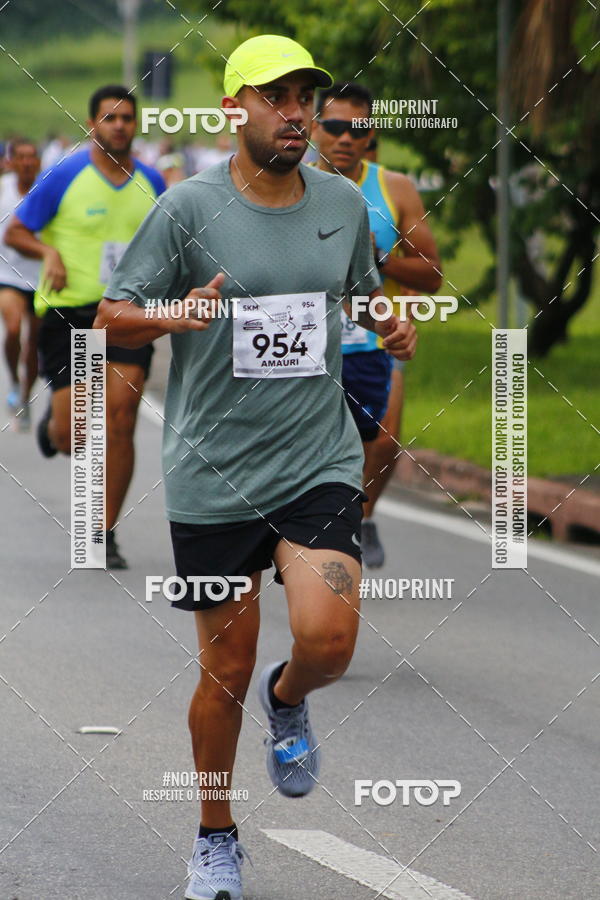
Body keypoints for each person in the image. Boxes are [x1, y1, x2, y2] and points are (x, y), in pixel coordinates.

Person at [94, 35, 417, 900]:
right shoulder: (186, 209)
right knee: (222, 669)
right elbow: (110, 316)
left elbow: (360, 288)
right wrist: (171, 314)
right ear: (236, 106)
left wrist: (387, 321)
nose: (296, 114)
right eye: (276, 97)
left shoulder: (343, 203)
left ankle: (291, 695)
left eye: (304, 98)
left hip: (315, 460)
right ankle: (215, 838)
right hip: (214, 473)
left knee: (328, 637)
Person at [5, 85, 166, 569]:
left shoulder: (154, 181)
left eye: (127, 119)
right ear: (92, 125)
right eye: (109, 118)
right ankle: (53, 433)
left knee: (120, 417)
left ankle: (104, 530)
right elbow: (15, 230)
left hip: (126, 313)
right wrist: (49, 252)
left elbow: (174, 241)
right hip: (71, 313)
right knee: (74, 432)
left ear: (136, 126)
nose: (119, 126)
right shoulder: (64, 175)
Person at [314, 82, 442, 567]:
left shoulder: (395, 188)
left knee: (385, 440)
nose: (347, 137)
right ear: (314, 129)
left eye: (359, 128)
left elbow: (431, 274)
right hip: (309, 342)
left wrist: (378, 258)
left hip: (379, 335)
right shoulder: (289, 183)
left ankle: (360, 517)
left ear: (372, 135)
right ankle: (320, 529)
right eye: (335, 127)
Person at [0, 138, 41, 429]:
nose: (27, 162)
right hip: (8, 276)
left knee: (34, 343)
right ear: (10, 161)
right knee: (13, 328)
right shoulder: (2, 189)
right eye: (21, 157)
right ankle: (15, 381)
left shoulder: (47, 189)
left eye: (32, 157)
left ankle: (26, 394)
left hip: (41, 279)